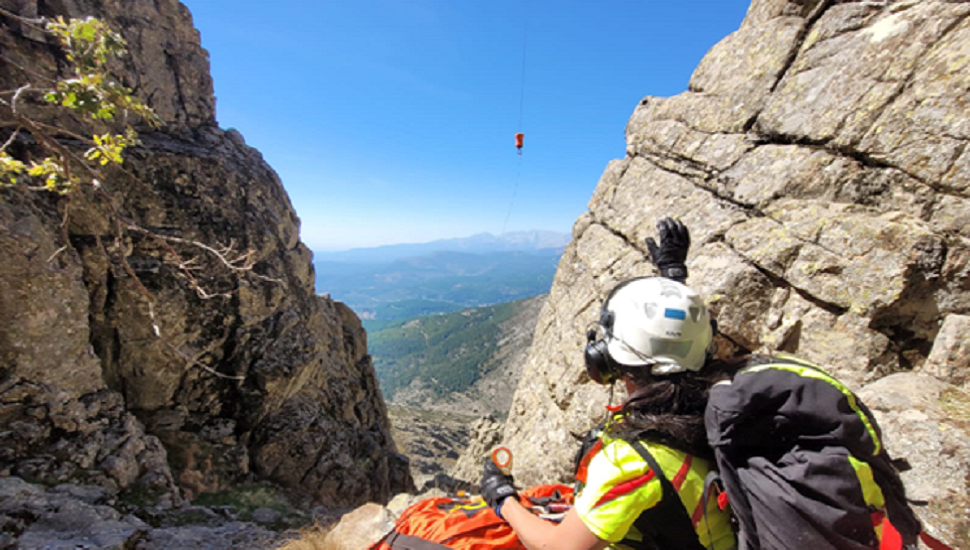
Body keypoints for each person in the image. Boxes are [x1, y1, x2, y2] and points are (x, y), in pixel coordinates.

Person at [481, 218, 737, 550]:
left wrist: (502, 498)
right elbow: (676, 344)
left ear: (607, 362)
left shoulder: (632, 463)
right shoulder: (719, 398)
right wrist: (673, 280)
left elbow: (557, 547)